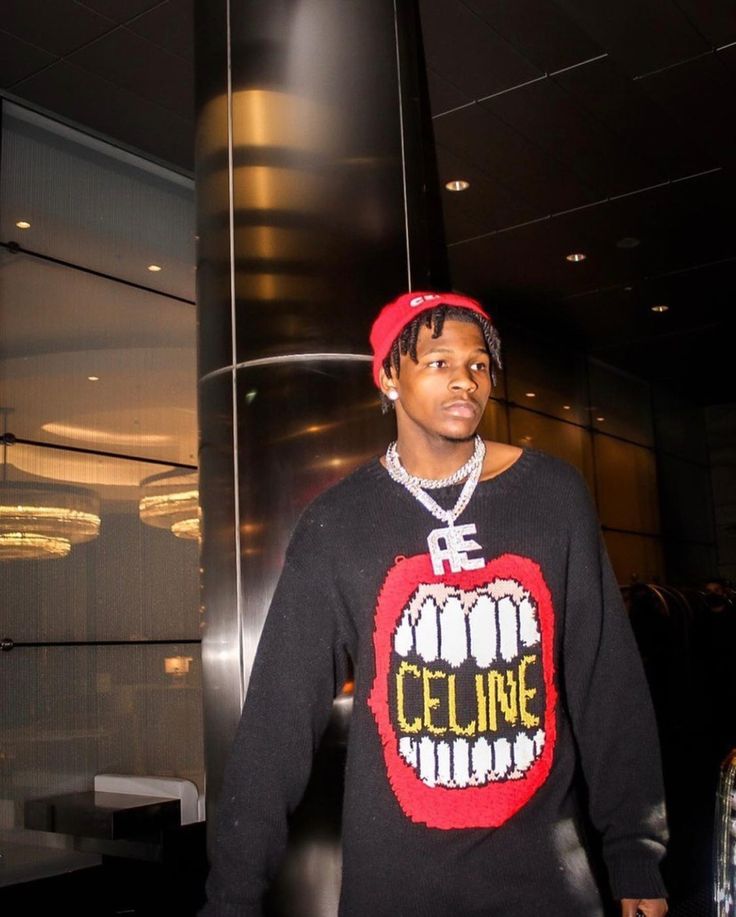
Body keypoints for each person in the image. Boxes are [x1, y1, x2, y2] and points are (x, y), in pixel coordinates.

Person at [200, 291, 669, 917]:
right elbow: (277, 722)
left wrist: (636, 851)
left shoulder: (554, 495)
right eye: (438, 362)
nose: (465, 381)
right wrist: (231, 896)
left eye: (478, 365)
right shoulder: (337, 523)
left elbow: (605, 680)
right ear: (389, 376)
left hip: (548, 884)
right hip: (396, 889)